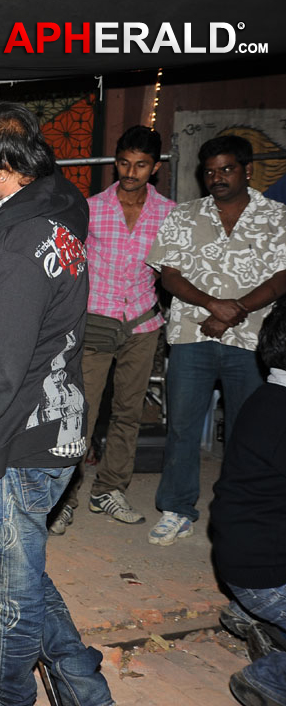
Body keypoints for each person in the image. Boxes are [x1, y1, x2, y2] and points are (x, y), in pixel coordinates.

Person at [0, 102, 112, 705]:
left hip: (15, 438)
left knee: (9, 597)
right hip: (49, 428)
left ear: (0, 166)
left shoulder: (18, 239)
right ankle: (84, 688)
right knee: (22, 573)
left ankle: (6, 697)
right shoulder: (53, 211)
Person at [145, 134, 286, 546]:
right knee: (183, 427)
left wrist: (235, 310)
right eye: (210, 171)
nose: (217, 177)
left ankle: (244, 507)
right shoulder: (184, 216)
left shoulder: (277, 217)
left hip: (252, 342)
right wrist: (213, 305)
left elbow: (282, 276)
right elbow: (168, 274)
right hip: (192, 335)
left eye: (226, 169)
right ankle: (177, 509)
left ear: (247, 170)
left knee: (250, 429)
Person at [51, 126, 175, 535]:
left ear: (154, 168)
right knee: (80, 413)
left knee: (128, 412)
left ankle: (110, 488)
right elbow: (69, 265)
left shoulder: (169, 213)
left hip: (143, 322)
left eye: (140, 165)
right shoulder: (91, 208)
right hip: (96, 319)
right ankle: (65, 498)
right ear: (116, 161)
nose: (130, 171)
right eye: (124, 162)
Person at [211, 301, 286, 706]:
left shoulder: (267, 397)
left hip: (246, 560)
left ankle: (254, 619)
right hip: (266, 575)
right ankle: (272, 678)